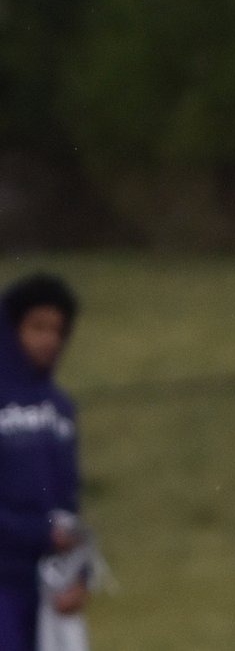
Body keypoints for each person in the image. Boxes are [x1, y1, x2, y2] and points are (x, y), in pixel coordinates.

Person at [2, 273, 84, 651]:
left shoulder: (61, 408)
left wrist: (78, 572)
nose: (48, 339)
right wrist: (35, 532)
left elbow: (68, 501)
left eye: (57, 329)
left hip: (46, 585)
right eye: (37, 327)